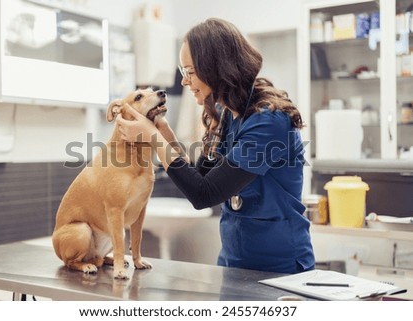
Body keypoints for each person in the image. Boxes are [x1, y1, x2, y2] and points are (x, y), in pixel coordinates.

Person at [115, 18, 315, 274]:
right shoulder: (228, 114)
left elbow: (205, 195)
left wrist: (153, 138)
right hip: (233, 262)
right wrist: (165, 134)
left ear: (216, 68)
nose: (185, 82)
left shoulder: (269, 122)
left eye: (190, 72)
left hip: (281, 268)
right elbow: (200, 178)